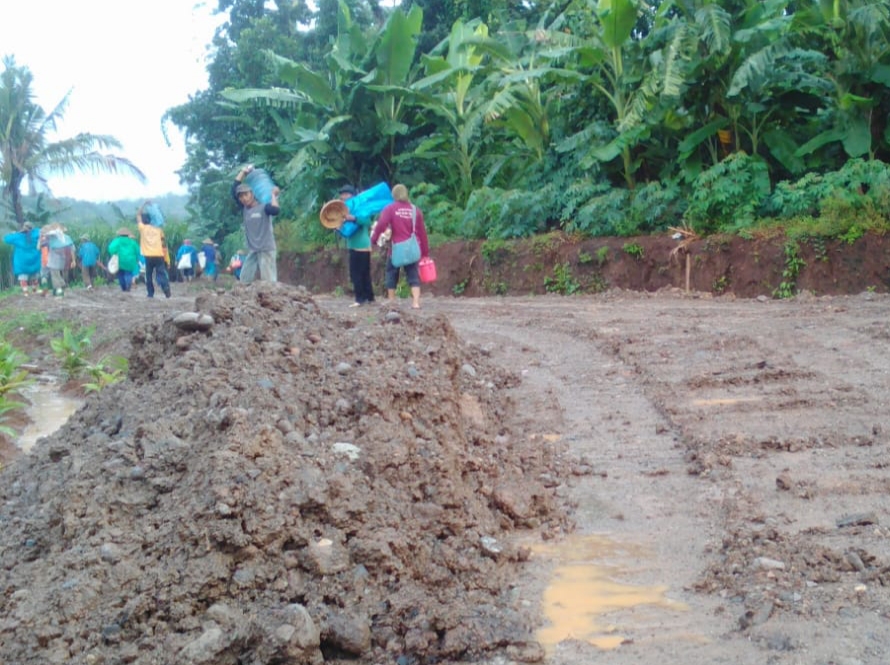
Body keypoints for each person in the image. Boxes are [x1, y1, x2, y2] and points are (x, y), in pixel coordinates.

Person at [370, 184, 430, 309]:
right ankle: (416, 302)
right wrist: (424, 252)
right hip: (412, 250)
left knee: (391, 274)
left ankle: (392, 302)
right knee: (413, 275)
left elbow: (381, 225)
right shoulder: (415, 210)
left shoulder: (390, 209)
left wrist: (374, 239)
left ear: (394, 195)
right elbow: (422, 233)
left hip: (396, 249)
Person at [232, 164, 281, 284]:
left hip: (266, 248)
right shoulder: (245, 209)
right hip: (253, 250)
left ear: (252, 194)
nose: (243, 198)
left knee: (269, 282)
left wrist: (273, 195)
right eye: (241, 197)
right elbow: (234, 188)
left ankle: (273, 301)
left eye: (246, 195)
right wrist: (243, 172)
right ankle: (244, 301)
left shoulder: (264, 207)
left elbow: (275, 210)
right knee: (244, 279)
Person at [338, 184, 375, 307]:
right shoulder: (345, 209)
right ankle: (369, 298)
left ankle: (360, 299)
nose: (343, 197)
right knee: (363, 273)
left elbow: (366, 221)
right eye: (342, 195)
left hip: (360, 245)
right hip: (355, 245)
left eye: (346, 194)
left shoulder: (358, 208)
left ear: (352, 195)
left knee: (357, 273)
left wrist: (353, 218)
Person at [136, 202, 171, 298]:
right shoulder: (159, 230)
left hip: (148, 256)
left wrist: (144, 204)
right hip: (159, 255)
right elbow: (164, 244)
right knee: (161, 273)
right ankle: (166, 288)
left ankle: (150, 293)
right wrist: (166, 259)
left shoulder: (142, 228)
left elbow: (138, 215)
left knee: (149, 275)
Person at [3, 222, 42, 295]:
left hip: (21, 261)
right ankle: (35, 290)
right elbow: (41, 231)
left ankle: (25, 292)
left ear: (23, 227)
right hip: (34, 259)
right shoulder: (36, 234)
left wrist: (15, 233)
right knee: (35, 276)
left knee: (23, 277)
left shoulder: (17, 236)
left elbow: (6, 239)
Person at [40, 225, 76, 297]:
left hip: (53, 260)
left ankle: (59, 292)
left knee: (55, 276)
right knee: (57, 274)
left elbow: (41, 245)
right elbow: (72, 249)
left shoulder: (51, 238)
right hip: (63, 260)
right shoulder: (67, 238)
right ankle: (63, 286)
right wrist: (73, 260)